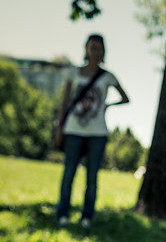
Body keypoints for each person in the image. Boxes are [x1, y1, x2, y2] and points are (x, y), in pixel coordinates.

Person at [55, 34, 129, 229]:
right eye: (92, 47)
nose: (95, 51)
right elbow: (64, 102)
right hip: (73, 129)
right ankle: (63, 214)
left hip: (97, 133)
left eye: (98, 48)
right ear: (86, 49)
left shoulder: (107, 76)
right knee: (68, 173)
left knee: (92, 178)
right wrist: (60, 126)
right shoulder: (73, 73)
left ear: (103, 51)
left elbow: (125, 98)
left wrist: (107, 105)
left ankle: (86, 216)